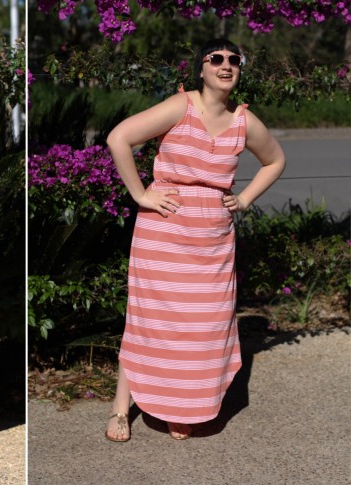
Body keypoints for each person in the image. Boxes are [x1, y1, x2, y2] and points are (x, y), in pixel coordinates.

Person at [105, 39, 285, 441]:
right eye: (216, 59)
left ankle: (180, 407)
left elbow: (276, 160)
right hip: (164, 230)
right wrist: (140, 194)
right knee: (149, 320)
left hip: (214, 239)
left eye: (233, 60)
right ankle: (121, 408)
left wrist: (244, 199)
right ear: (200, 68)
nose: (226, 65)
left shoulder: (245, 121)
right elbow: (119, 138)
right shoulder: (179, 106)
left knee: (203, 325)